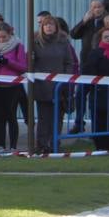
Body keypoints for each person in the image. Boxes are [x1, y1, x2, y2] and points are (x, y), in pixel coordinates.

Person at [31, 17, 76, 154]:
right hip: (41, 86)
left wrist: (65, 80)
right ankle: (41, 145)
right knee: (44, 117)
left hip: (59, 86)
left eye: (51, 25)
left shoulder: (63, 42)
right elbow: (30, 63)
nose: (49, 27)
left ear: (56, 27)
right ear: (42, 27)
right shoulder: (36, 42)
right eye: (46, 25)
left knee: (57, 117)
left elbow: (69, 63)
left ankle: (55, 143)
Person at [0, 21, 27, 154]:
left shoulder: (17, 46)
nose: (1, 39)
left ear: (10, 34)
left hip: (13, 86)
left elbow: (23, 67)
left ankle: (13, 146)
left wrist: (8, 61)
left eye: (4, 37)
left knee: (11, 116)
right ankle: (1, 145)